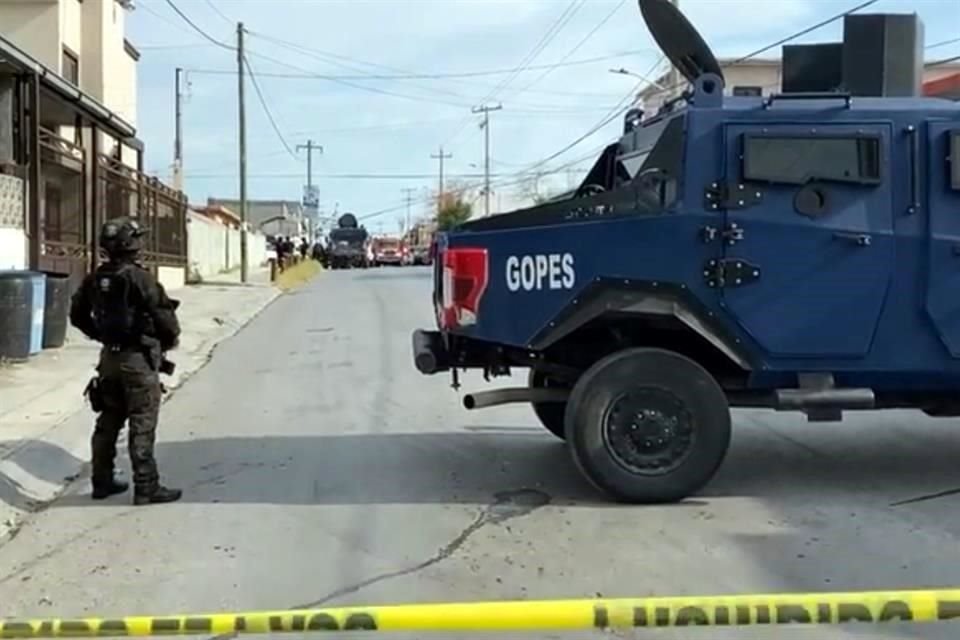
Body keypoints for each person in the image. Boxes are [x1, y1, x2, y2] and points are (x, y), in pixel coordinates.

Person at [69, 217, 183, 505]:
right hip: (137, 360)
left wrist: (102, 336)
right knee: (142, 423)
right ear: (131, 244)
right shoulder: (140, 278)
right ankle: (147, 486)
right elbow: (166, 320)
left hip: (109, 359)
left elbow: (77, 316)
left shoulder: (96, 278)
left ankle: (102, 481)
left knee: (108, 421)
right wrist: (165, 343)